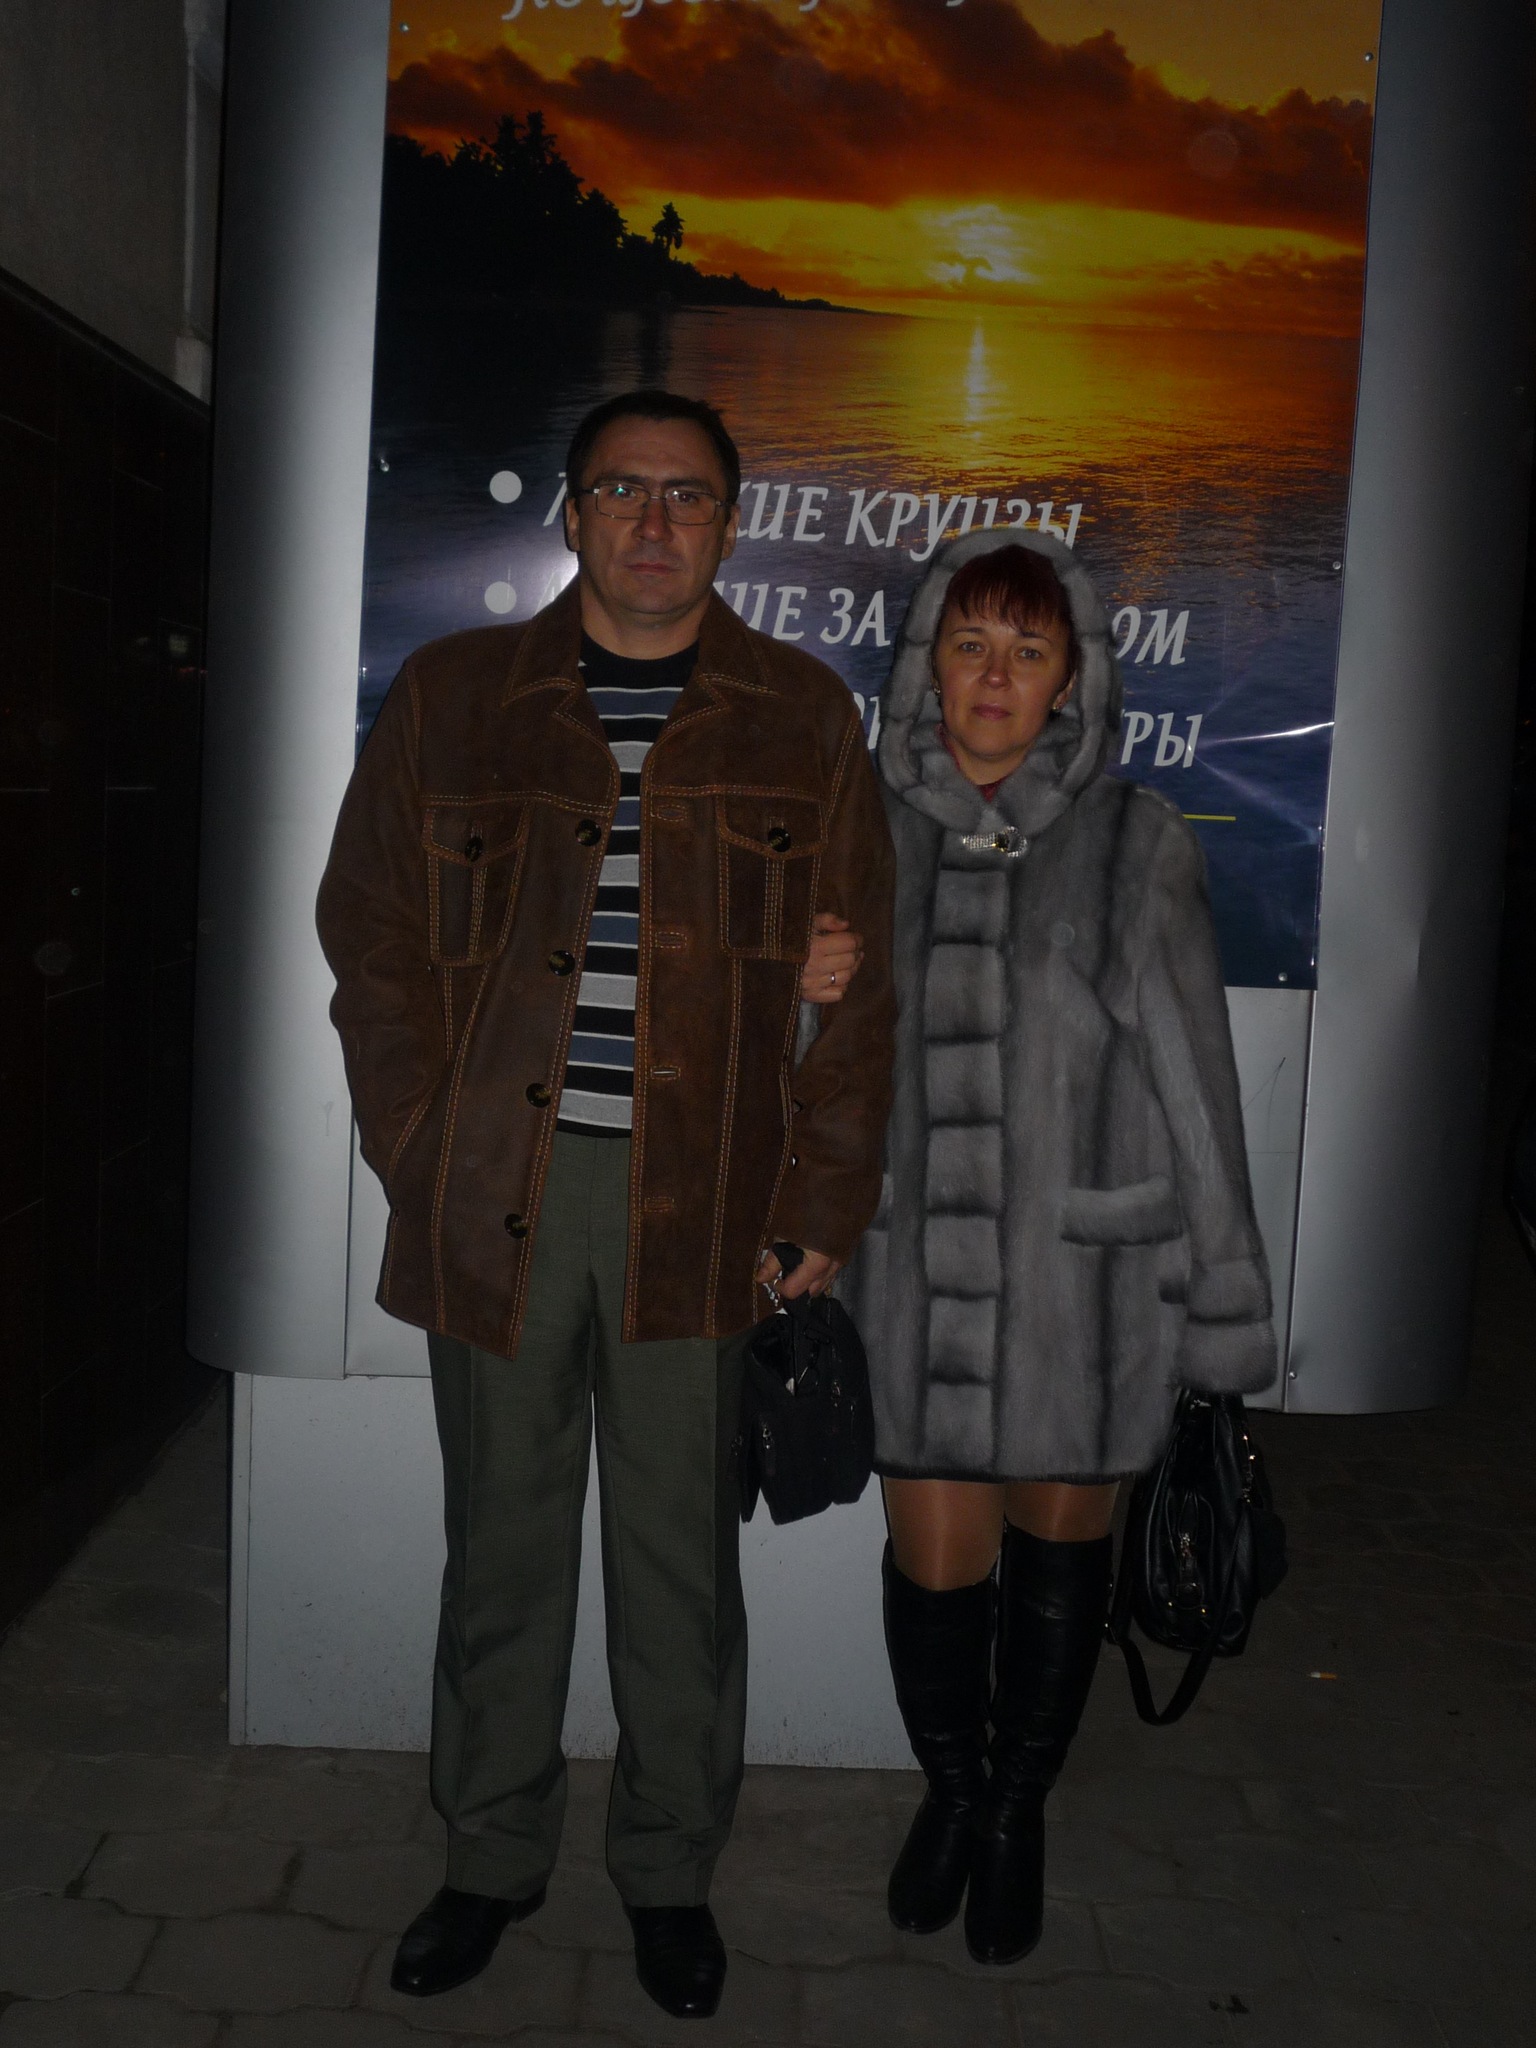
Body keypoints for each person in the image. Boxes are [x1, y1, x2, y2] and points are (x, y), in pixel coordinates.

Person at [316, 389, 894, 2018]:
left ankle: (667, 1874)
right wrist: (420, 1142)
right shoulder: (455, 697)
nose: (654, 520)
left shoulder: (801, 715)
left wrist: (825, 1194)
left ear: (730, 527)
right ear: (571, 515)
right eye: (623, 490)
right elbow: (370, 934)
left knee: (677, 1572)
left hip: (704, 1201)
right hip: (496, 1190)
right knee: (499, 1553)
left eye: (688, 496)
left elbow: (862, 989)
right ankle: (488, 1857)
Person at [846, 530, 1276, 1965]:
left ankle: (1018, 1807)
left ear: (1072, 680)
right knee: (933, 1568)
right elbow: (808, 1066)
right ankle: (954, 1791)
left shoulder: (1138, 840)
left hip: (1086, 1288)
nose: (995, 675)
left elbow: (1197, 1083)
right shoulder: (857, 830)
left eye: (1029, 650)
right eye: (970, 642)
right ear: (927, 663)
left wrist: (1221, 1292)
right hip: (913, 1281)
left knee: (1056, 1564)